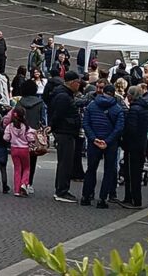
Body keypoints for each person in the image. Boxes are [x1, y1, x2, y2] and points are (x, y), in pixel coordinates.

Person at [81, 85, 125, 208]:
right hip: (110, 144)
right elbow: (119, 128)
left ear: (103, 92)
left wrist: (93, 138)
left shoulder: (91, 105)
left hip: (94, 141)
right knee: (109, 170)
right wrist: (108, 141)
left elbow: (86, 123)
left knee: (91, 169)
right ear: (114, 94)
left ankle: (86, 196)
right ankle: (103, 199)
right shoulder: (117, 108)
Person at [51, 71, 82, 203]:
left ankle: (61, 189)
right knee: (65, 162)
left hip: (65, 131)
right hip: (65, 132)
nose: (79, 86)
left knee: (64, 162)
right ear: (72, 82)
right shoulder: (64, 97)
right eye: (78, 83)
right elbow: (58, 115)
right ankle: (62, 190)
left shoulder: (62, 94)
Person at [121, 86, 148, 209]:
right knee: (137, 172)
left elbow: (131, 129)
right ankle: (135, 198)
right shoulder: (146, 108)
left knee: (130, 172)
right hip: (141, 144)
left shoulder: (134, 110)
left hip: (132, 145)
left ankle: (131, 198)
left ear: (131, 96)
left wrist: (124, 140)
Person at [17, 81, 47, 192]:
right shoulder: (40, 103)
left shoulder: (19, 102)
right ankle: (29, 183)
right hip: (34, 134)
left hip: (20, 134)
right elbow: (43, 120)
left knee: (21, 160)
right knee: (32, 160)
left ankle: (20, 181)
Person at [4, 106, 36, 197]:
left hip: (14, 149)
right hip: (24, 149)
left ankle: (17, 190)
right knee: (26, 168)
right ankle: (24, 183)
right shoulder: (26, 127)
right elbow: (30, 138)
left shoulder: (10, 126)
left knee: (17, 169)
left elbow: (6, 138)